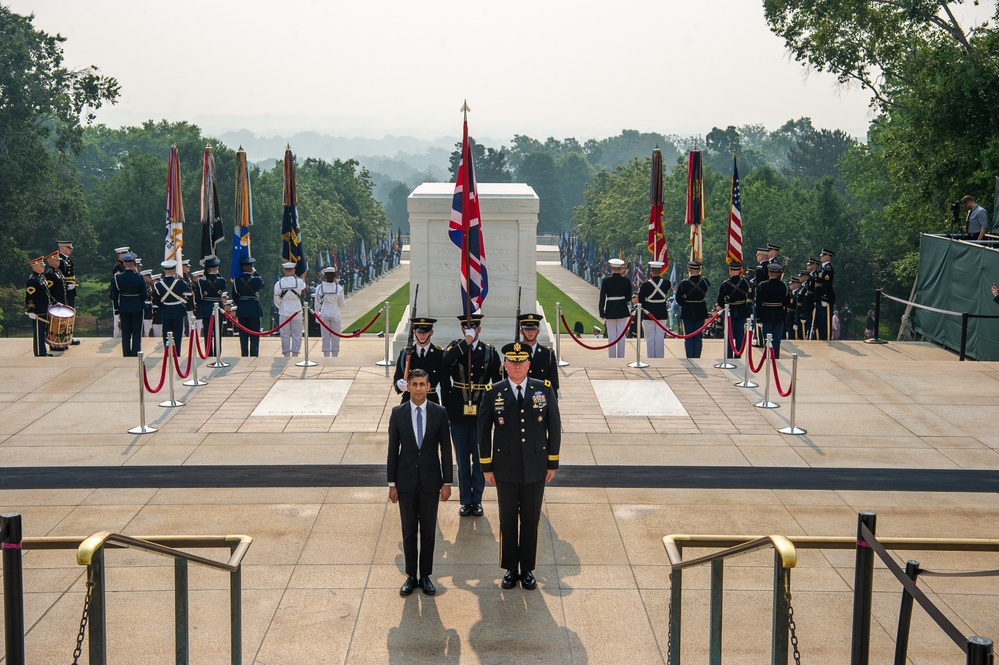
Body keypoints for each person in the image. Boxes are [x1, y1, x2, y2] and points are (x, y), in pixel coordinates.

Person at [477, 341, 561, 591]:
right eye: (512, 362)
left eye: (521, 362)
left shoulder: (543, 389)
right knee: (507, 519)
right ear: (505, 365)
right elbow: (483, 431)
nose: (516, 367)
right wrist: (486, 466)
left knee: (531, 518)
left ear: (528, 364)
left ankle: (528, 569)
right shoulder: (494, 391)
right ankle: (510, 568)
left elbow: (554, 427)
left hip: (536, 467)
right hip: (505, 468)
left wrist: (552, 463)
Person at [388, 368, 453, 597]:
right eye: (413, 384)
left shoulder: (440, 412)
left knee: (427, 531)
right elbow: (392, 450)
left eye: (421, 384)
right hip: (405, 482)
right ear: (409, 387)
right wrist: (391, 483)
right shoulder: (398, 413)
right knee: (408, 532)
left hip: (430, 481)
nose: (417, 388)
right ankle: (410, 576)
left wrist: (447, 482)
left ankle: (425, 575)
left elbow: (446, 449)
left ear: (428, 386)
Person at [442, 313, 502, 518]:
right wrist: (465, 344)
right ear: (462, 330)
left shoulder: (490, 352)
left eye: (473, 328)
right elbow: (446, 361)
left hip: (481, 412)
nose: (470, 331)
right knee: (461, 460)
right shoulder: (455, 348)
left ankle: (477, 500)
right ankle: (465, 501)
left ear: (479, 329)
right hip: (458, 411)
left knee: (479, 459)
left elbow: (497, 384)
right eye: (466, 329)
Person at [394, 317, 447, 404]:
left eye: (426, 331)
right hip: (409, 400)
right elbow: (397, 379)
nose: (422, 335)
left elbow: (444, 385)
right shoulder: (405, 353)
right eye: (419, 332)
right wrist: (400, 385)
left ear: (431, 332)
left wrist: (445, 408)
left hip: (431, 401)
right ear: (414, 332)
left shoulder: (440, 354)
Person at [111, 253, 148, 357]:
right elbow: (145, 296)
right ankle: (136, 353)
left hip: (124, 307)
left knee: (126, 333)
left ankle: (126, 354)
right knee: (136, 333)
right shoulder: (140, 277)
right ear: (134, 264)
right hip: (137, 307)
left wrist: (116, 309)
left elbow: (115, 295)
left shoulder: (117, 278)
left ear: (124, 263)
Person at [715, 261, 751, 358]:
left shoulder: (725, 284)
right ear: (740, 271)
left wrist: (725, 304)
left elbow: (720, 300)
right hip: (741, 310)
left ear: (730, 271)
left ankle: (729, 354)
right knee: (740, 334)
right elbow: (750, 295)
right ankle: (738, 353)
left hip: (730, 310)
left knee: (729, 334)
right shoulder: (745, 282)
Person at [675, 261, 710, 358]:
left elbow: (678, 299)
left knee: (689, 336)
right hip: (700, 310)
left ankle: (690, 357)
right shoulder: (705, 282)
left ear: (689, 270)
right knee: (698, 336)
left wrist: (686, 304)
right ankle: (697, 356)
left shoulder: (683, 284)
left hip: (688, 311)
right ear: (700, 270)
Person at [598, 258, 632, 358]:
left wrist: (601, 311)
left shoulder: (606, 281)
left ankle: (612, 356)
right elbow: (628, 298)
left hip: (610, 308)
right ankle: (621, 356)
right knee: (621, 334)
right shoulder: (626, 281)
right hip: (622, 308)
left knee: (611, 335)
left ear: (611, 268)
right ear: (621, 268)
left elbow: (602, 298)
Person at [153, 259, 192, 349]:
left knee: (166, 336)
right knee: (178, 335)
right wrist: (180, 278)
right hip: (178, 310)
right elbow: (188, 289)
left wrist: (164, 305)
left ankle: (168, 354)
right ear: (174, 270)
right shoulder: (180, 282)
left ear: (164, 270)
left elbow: (156, 301)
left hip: (166, 311)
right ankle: (177, 354)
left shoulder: (158, 285)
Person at [755, 263, 791, 358]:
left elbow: (758, 303)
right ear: (779, 274)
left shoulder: (762, 285)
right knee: (777, 337)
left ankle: (768, 355)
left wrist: (758, 318)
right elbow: (787, 302)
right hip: (779, 313)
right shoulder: (783, 285)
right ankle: (775, 356)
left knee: (767, 337)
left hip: (766, 313)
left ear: (768, 273)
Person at [231, 257, 265, 357]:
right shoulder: (257, 280)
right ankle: (254, 354)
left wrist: (241, 303)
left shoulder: (237, 281)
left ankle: (244, 354)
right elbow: (263, 285)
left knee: (243, 335)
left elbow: (235, 296)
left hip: (242, 308)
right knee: (255, 334)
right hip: (254, 308)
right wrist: (256, 274)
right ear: (251, 268)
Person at [517, 313, 559, 392]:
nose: (530, 333)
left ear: (538, 331)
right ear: (521, 331)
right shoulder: (514, 353)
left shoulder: (548, 354)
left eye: (533, 329)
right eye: (527, 329)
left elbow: (553, 384)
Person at [194, 256, 228, 355]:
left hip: (206, 308)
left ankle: (208, 352)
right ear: (217, 268)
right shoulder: (221, 281)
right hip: (218, 308)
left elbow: (198, 299)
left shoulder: (201, 282)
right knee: (218, 333)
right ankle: (218, 353)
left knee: (207, 333)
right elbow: (224, 288)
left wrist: (204, 303)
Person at [637, 260, 670, 358]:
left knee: (650, 337)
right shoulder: (666, 283)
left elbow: (641, 301)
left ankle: (651, 357)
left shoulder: (646, 285)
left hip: (649, 312)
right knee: (660, 337)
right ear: (661, 270)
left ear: (651, 270)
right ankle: (659, 357)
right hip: (662, 312)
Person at [274, 261, 306, 357]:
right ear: (294, 270)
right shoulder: (299, 282)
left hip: (284, 310)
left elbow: (276, 300)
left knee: (285, 334)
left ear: (284, 270)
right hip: (296, 309)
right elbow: (304, 286)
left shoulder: (278, 284)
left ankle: (286, 354)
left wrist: (282, 306)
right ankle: (295, 353)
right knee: (297, 334)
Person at [314, 266, 346, 358]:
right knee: (336, 336)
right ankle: (335, 355)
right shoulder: (339, 288)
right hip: (335, 311)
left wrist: (317, 316)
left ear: (325, 276)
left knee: (325, 336)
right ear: (334, 275)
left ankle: (326, 355)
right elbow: (341, 304)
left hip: (324, 311)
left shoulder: (319, 288)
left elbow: (317, 303)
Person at [25, 256, 52, 357]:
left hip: (44, 309)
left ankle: (43, 351)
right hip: (38, 311)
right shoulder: (32, 280)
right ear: (34, 267)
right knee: (38, 333)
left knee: (43, 332)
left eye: (43, 265)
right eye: (41, 266)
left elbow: (47, 293)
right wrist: (31, 310)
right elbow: (30, 297)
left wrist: (54, 302)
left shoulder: (42, 278)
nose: (43, 267)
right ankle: (40, 352)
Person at [813, 249, 836, 340]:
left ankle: (825, 337)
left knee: (826, 320)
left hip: (825, 298)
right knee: (820, 320)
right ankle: (821, 338)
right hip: (819, 298)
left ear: (828, 256)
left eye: (823, 255)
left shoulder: (828, 269)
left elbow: (827, 285)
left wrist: (824, 298)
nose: (820, 257)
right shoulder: (822, 268)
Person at [110, 247, 130, 339]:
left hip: (124, 296)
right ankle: (117, 336)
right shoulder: (118, 267)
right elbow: (117, 284)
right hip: (118, 296)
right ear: (121, 255)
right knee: (117, 319)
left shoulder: (124, 266)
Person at [57, 240, 77, 308]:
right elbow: (59, 276)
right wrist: (66, 286)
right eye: (69, 248)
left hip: (70, 290)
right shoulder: (60, 260)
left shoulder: (67, 259)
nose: (71, 250)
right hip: (65, 290)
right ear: (63, 248)